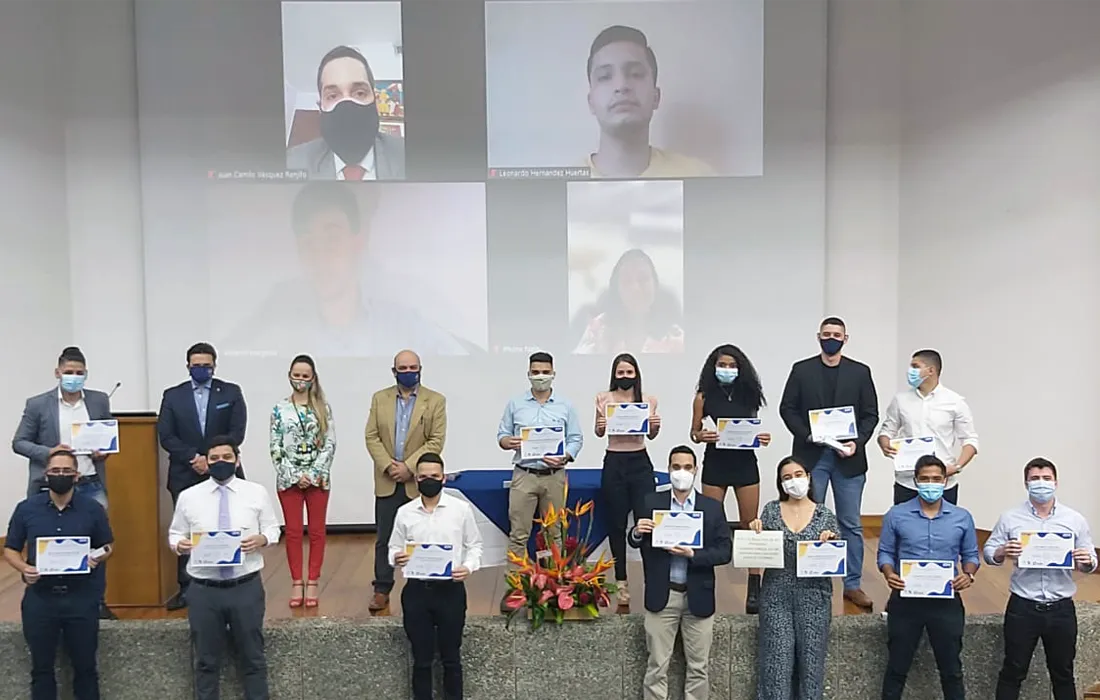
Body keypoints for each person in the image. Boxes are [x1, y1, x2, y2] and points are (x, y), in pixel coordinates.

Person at [230, 182, 471, 356]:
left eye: (332, 239)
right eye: (308, 244)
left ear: (358, 241)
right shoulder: (273, 326)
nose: (319, 256)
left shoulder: (404, 325)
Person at [168, 436, 280, 700]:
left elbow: (273, 528)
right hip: (204, 590)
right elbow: (175, 534)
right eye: (215, 458)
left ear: (237, 460)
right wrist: (179, 544)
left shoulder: (256, 492)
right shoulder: (189, 496)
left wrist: (262, 539)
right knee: (205, 661)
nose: (221, 462)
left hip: (245, 586)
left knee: (253, 658)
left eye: (227, 457)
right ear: (206, 462)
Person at [779, 317, 878, 611]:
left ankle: (852, 585)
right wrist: (807, 434)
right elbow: (787, 408)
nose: (831, 339)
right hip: (812, 457)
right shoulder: (801, 370)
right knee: (809, 520)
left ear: (845, 339)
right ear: (818, 337)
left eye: (836, 335)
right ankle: (811, 581)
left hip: (849, 459)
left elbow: (870, 414)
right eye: (826, 334)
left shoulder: (860, 372)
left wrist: (857, 442)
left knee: (851, 524)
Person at [12, 345, 116, 619]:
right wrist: (50, 452)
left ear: (86, 374)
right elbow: (19, 442)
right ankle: (43, 597)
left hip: (90, 482)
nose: (74, 377)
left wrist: (103, 451)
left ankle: (97, 601)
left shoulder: (99, 401)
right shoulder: (38, 404)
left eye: (79, 373)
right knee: (45, 541)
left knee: (99, 545)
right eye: (69, 372)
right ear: (57, 373)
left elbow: (107, 437)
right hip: (51, 484)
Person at [3, 449, 113, 700]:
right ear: (46, 474)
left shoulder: (93, 509)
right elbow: (10, 549)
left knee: (86, 668)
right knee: (41, 669)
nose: (60, 475)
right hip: (41, 599)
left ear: (76, 476)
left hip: (81, 598)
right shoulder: (26, 509)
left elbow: (108, 545)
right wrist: (24, 568)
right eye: (55, 471)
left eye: (66, 471)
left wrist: (96, 557)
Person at [985, 457, 1097, 700]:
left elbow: (1090, 561)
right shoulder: (1010, 517)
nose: (1041, 483)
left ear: (1056, 482)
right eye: (1035, 478)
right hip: (1023, 606)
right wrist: (1002, 551)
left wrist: (1087, 561)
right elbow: (989, 552)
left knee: (1063, 673)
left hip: (1061, 608)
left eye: (1046, 478)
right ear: (1026, 483)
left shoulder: (1074, 519)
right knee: (1013, 670)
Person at [628, 445, 731, 700]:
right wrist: (637, 532)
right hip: (663, 595)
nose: (681, 472)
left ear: (695, 470)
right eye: (676, 467)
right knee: (657, 666)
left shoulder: (711, 507)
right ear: (669, 469)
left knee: (699, 668)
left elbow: (725, 551)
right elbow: (634, 540)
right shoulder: (652, 502)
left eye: (687, 467)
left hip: (698, 595)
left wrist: (694, 554)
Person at [877, 455, 980, 700]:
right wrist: (889, 573)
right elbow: (885, 552)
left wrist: (968, 575)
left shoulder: (962, 517)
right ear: (915, 481)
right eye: (925, 479)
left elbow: (971, 555)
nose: (930, 484)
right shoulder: (896, 514)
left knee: (952, 670)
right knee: (896, 668)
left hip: (946, 602)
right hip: (905, 600)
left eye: (936, 479)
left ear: (945, 481)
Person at [157, 342, 247, 611]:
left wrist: (211, 458)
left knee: (226, 522)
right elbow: (166, 435)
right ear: (188, 366)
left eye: (206, 366)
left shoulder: (230, 392)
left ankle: (232, 579)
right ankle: (186, 587)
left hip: (223, 470)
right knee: (187, 529)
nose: (201, 370)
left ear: (214, 366)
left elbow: (237, 431)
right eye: (196, 366)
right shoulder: (173, 396)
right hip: (185, 472)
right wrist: (193, 458)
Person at [390, 453, 483, 700]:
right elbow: (393, 547)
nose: (428, 480)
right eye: (423, 477)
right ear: (416, 479)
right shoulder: (405, 512)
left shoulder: (461, 510)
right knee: (421, 660)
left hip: (450, 591)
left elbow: (475, 545)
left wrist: (468, 567)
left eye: (434, 476)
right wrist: (396, 557)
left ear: (443, 478)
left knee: (451, 658)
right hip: (417, 592)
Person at [496, 351, 583, 612]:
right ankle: (515, 589)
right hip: (524, 474)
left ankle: (554, 589)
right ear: (528, 374)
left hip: (554, 476)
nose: (541, 376)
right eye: (536, 372)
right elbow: (502, 435)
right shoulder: (515, 404)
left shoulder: (565, 405)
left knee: (554, 535)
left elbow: (576, 438)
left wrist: (566, 456)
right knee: (518, 535)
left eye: (545, 372)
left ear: (553, 373)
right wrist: (508, 442)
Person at [689, 344, 772, 613]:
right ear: (713, 367)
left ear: (741, 368)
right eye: (722, 365)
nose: (727, 369)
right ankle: (704, 581)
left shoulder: (750, 393)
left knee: (750, 523)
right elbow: (694, 432)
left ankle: (754, 584)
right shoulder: (703, 396)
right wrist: (701, 436)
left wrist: (761, 438)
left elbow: (751, 427)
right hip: (716, 462)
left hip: (745, 463)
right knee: (711, 522)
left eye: (732, 365)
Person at [748, 457, 838, 700]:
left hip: (814, 596)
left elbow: (837, 558)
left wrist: (830, 542)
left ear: (808, 477)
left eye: (798, 475)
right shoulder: (770, 511)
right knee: (776, 662)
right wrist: (756, 531)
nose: (793, 481)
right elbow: (759, 549)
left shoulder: (825, 515)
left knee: (811, 664)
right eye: (786, 477)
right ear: (780, 483)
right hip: (776, 594)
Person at [365, 349, 447, 612]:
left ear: (420, 370)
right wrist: (390, 467)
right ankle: (382, 588)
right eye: (403, 368)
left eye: (413, 368)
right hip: (387, 478)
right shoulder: (380, 398)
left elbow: (435, 441)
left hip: (419, 480)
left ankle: (424, 581)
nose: (409, 372)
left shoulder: (435, 400)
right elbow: (371, 436)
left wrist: (409, 467)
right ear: (394, 371)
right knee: (385, 537)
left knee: (423, 533)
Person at [584, 25, 713, 178]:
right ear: (591, 102)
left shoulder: (699, 177)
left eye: (636, 74)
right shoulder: (564, 185)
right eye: (605, 77)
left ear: (656, 97)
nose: (621, 86)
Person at [593, 353, 661, 607]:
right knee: (617, 525)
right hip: (614, 462)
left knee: (646, 523)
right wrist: (601, 424)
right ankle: (621, 582)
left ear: (636, 374)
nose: (625, 377)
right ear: (614, 374)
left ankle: (651, 581)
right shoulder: (604, 398)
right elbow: (599, 432)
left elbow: (651, 436)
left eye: (629, 372)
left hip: (640, 462)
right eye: (620, 373)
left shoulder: (648, 400)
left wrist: (655, 426)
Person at [269, 354, 336, 608]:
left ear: (313, 378)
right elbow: (275, 446)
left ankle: (314, 580)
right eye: (296, 375)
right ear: (289, 376)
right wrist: (296, 475)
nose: (300, 380)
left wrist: (314, 473)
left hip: (318, 480)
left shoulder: (323, 408)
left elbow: (330, 443)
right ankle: (297, 581)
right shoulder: (279, 409)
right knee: (294, 532)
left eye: (305, 376)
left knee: (317, 531)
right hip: (289, 480)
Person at [286, 45, 405, 180]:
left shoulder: (410, 154)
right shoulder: (291, 163)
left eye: (360, 93)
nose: (347, 105)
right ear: (320, 108)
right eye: (332, 96)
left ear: (375, 101)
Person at [878, 349, 980, 504]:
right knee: (903, 519)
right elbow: (887, 430)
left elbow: (970, 439)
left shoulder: (955, 402)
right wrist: (884, 442)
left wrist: (957, 466)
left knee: (945, 520)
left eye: (915, 366)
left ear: (931, 370)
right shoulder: (900, 400)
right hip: (907, 481)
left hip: (942, 481)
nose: (910, 371)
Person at [573, 249, 684, 354]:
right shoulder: (598, 329)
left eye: (643, 279)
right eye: (627, 280)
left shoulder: (674, 336)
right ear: (617, 289)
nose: (635, 288)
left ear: (655, 285)